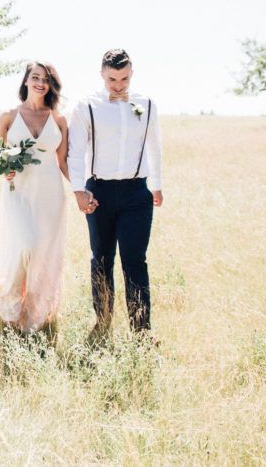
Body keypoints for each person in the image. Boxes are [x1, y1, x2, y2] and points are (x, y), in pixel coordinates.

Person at [67, 49, 163, 335]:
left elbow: (154, 146)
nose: (118, 85)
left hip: (137, 193)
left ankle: (142, 331)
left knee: (135, 261)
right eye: (112, 79)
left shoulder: (146, 104)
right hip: (100, 191)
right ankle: (103, 320)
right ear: (102, 75)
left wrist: (156, 186)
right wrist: (79, 191)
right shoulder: (86, 106)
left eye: (123, 78)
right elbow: (75, 152)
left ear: (132, 73)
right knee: (102, 258)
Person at [0, 61, 78, 331]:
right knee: (23, 245)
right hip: (18, 192)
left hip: (50, 194)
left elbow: (63, 163)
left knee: (44, 252)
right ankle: (10, 311)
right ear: (26, 81)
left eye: (46, 79)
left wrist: (83, 191)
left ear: (50, 86)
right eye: (35, 76)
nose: (40, 82)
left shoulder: (59, 120)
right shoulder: (8, 117)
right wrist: (5, 169)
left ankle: (36, 314)